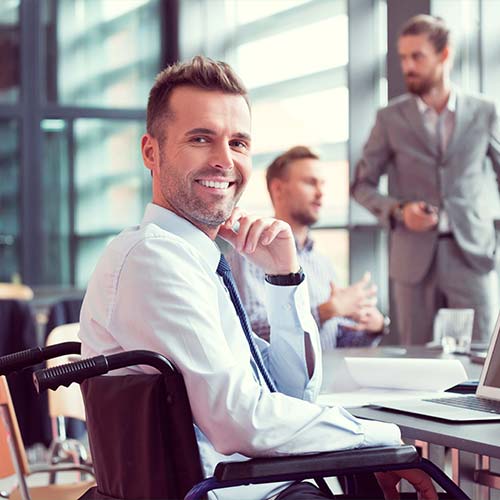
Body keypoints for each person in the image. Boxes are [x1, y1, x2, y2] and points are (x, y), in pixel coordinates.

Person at [78, 55, 437, 499]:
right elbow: (238, 420)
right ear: (151, 151)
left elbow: (290, 391)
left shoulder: (195, 259)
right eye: (201, 138)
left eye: (239, 143)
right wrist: (378, 439)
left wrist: (284, 280)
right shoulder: (153, 259)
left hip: (263, 485)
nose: (224, 161)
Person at [351, 14, 500, 346]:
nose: (407, 66)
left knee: (481, 357)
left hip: (471, 254)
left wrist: (493, 232)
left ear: (444, 55)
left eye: (417, 56)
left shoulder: (485, 111)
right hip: (412, 259)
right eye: (403, 57)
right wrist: (401, 211)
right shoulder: (388, 118)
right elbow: (362, 185)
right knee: (414, 356)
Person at [227, 146, 390, 350]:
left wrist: (374, 326)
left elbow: (333, 339)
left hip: (328, 378)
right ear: (278, 189)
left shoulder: (321, 262)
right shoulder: (249, 252)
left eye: (322, 184)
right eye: (310, 182)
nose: (321, 193)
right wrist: (326, 311)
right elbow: (252, 330)